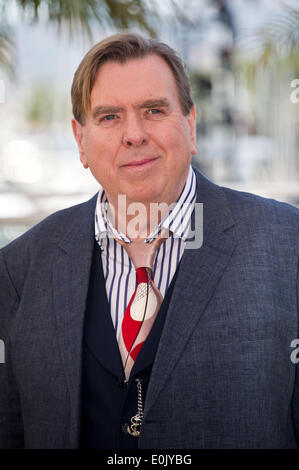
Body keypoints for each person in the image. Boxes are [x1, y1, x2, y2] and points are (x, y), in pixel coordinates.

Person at [0, 32, 299, 450]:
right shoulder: (18, 269)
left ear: (190, 125)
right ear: (80, 140)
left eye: (154, 110)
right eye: (109, 117)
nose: (134, 134)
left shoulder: (288, 246)